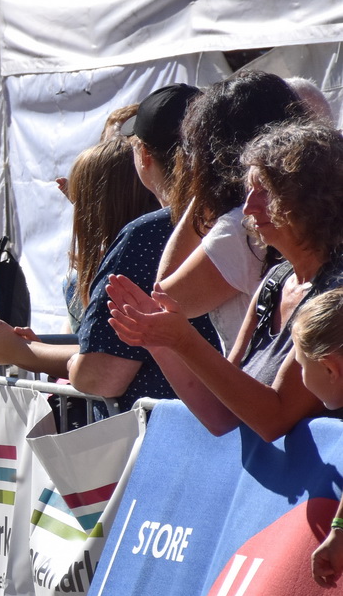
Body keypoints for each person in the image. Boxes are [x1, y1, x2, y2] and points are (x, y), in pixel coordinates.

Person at [109, 121, 343, 441]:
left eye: (266, 191)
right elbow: (222, 415)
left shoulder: (335, 295)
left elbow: (274, 419)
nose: (249, 207)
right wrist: (160, 341)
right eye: (250, 191)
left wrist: (183, 340)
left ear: (312, 197)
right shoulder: (276, 281)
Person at [0, 138, 156, 373]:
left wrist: (21, 350)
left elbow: (100, 366)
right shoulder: (126, 259)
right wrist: (36, 348)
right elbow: (84, 347)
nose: (77, 209)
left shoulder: (127, 268)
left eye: (82, 199)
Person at [155, 73, 305, 345]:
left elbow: (167, 299)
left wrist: (204, 190)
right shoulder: (306, 210)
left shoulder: (245, 226)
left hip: (261, 381)